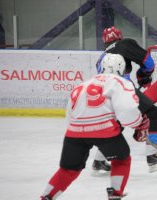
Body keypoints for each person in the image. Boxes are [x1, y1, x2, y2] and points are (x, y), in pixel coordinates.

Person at [40, 53, 149, 200]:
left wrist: (75, 133)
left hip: (75, 132)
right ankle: (115, 195)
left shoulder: (83, 84)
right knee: (121, 160)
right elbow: (127, 109)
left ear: (101, 67)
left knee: (68, 169)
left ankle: (46, 197)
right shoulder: (121, 82)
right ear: (122, 69)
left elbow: (69, 114)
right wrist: (137, 123)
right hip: (105, 131)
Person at [92, 26, 157, 174]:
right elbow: (149, 63)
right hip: (122, 89)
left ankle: (99, 161)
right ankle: (152, 156)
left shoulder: (102, 57)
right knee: (154, 114)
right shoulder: (124, 44)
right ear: (119, 36)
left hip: (106, 94)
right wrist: (143, 74)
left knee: (117, 125)